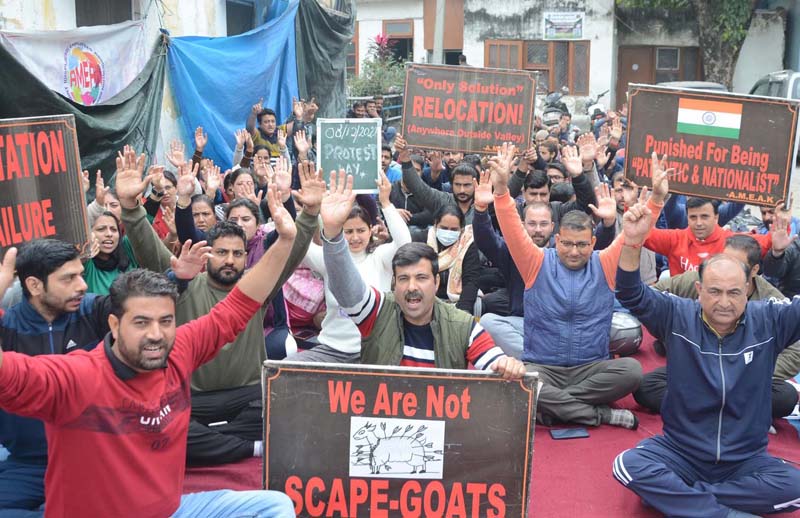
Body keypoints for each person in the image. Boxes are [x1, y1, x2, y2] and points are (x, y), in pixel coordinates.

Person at [0, 181, 298, 517]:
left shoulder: (179, 349)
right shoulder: (75, 376)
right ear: (114, 325)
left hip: (172, 510)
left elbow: (241, 304)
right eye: (141, 323)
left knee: (274, 506)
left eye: (165, 321)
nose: (156, 334)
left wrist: (287, 239)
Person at [120, 152, 320, 466]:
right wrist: (131, 208)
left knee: (282, 410)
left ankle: (213, 443)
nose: (229, 260)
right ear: (208, 254)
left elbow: (291, 254)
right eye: (222, 252)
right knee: (160, 424)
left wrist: (309, 214)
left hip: (249, 397)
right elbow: (150, 249)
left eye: (237, 254)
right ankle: (245, 446)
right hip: (194, 398)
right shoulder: (182, 284)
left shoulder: (256, 288)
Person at [613, 197, 800, 518]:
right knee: (628, 466)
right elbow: (630, 292)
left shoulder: (770, 319)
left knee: (794, 486)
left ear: (748, 289)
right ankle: (721, 512)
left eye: (734, 292)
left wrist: (780, 253)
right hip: (680, 452)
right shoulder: (676, 314)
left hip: (744, 459)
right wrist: (632, 242)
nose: (724, 302)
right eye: (714, 291)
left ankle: (679, 498)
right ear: (699, 290)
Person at [0, 229, 210, 514]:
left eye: (81, 275)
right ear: (35, 285)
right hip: (29, 461)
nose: (82, 285)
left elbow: (137, 307)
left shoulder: (94, 310)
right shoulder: (7, 327)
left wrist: (179, 278)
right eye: (69, 279)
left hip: (97, 456)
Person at [492, 144, 669, 429]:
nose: (574, 252)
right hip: (544, 367)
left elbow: (636, 231)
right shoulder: (535, 261)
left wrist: (657, 199)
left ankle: (551, 407)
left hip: (591, 369)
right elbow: (511, 226)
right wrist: (501, 190)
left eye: (582, 245)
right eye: (567, 244)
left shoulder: (604, 262)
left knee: (632, 371)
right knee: (516, 381)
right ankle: (597, 415)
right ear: (557, 240)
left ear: (593, 242)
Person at [320, 170, 526, 377]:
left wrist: (506, 365)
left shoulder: (462, 326)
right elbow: (346, 288)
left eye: (421, 278)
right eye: (403, 278)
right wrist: (332, 233)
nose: (412, 287)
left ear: (435, 282)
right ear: (394, 283)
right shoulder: (377, 311)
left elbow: (493, 360)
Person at [634, 234, 800, 418]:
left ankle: (704, 410)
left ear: (753, 271)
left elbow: (796, 351)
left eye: (736, 265)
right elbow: (652, 298)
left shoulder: (771, 300)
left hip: (745, 379)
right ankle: (729, 413)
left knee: (785, 397)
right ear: (700, 288)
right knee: (646, 387)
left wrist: (753, 368)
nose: (727, 269)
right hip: (697, 368)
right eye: (724, 259)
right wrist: (677, 332)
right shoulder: (704, 279)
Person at [286, 170, 411, 363]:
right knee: (288, 368)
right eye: (348, 231)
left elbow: (404, 244)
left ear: (370, 231)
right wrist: (307, 208)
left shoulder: (380, 257)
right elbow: (297, 244)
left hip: (374, 350)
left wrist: (386, 203)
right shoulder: (329, 258)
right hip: (331, 350)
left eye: (360, 230)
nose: (355, 237)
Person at [645, 196, 775, 276]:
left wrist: (780, 222)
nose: (699, 223)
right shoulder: (675, 239)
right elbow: (642, 235)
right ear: (687, 218)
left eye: (704, 217)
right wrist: (654, 198)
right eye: (693, 217)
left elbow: (769, 241)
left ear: (716, 217)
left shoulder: (732, 241)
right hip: (681, 306)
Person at [421, 205, 480, 315]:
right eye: (443, 228)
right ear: (435, 225)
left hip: (456, 303)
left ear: (461, 230)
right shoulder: (422, 240)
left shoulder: (467, 245)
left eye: (454, 230)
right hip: (425, 301)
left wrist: (461, 312)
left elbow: (471, 281)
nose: (448, 232)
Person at [83, 211, 138, 295]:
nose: (109, 234)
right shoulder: (86, 263)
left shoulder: (127, 249)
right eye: (101, 229)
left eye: (114, 229)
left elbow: (139, 227)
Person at [388, 154, 434, 230]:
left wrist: (400, 217)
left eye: (417, 170)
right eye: (409, 169)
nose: (412, 173)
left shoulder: (426, 191)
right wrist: (393, 212)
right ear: (402, 169)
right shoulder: (390, 189)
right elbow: (379, 209)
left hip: (418, 233)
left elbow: (429, 215)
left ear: (422, 172)